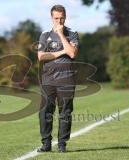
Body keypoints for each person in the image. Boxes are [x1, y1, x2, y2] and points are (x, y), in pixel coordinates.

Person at [37, 4, 79, 152]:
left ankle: (62, 144)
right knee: (45, 112)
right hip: (48, 79)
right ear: (51, 18)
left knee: (65, 112)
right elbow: (41, 56)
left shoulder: (72, 33)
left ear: (65, 17)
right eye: (56, 18)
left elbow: (73, 53)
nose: (59, 21)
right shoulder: (44, 34)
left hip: (67, 79)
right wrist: (62, 51)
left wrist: (61, 35)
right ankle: (46, 144)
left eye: (62, 18)